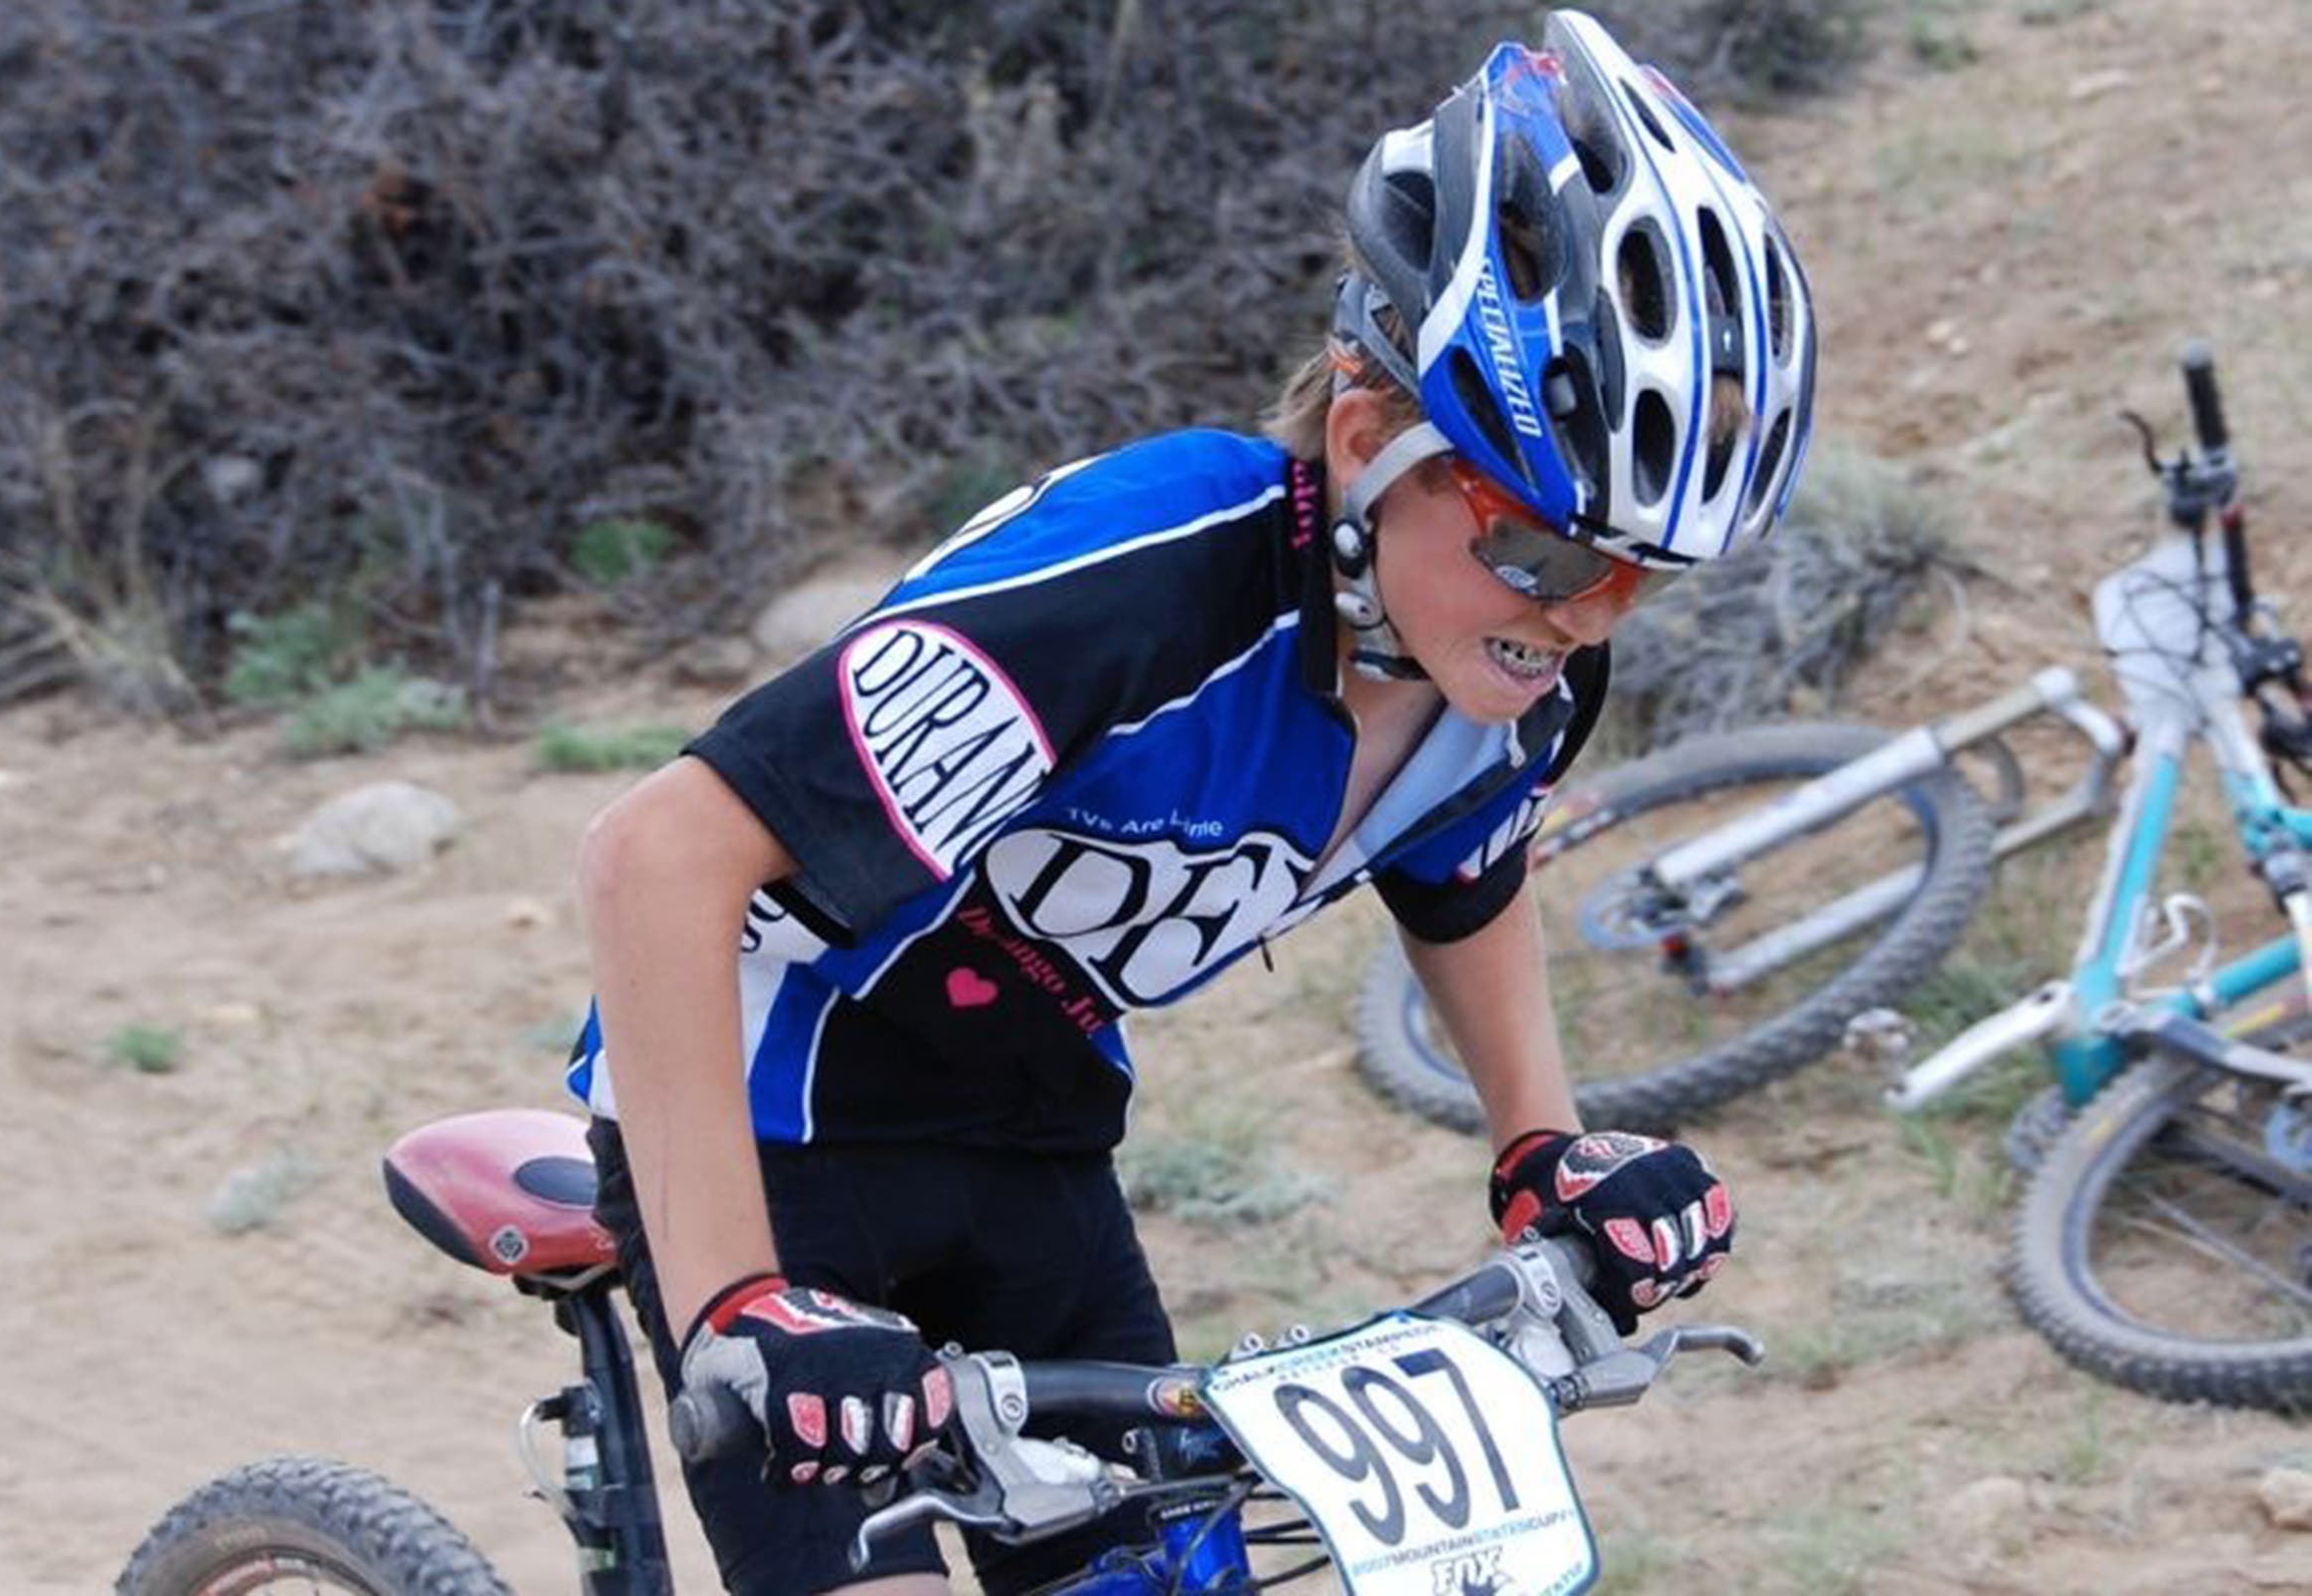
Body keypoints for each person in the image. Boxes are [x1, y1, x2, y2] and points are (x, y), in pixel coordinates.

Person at [570, 10, 1816, 1592]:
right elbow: (655, 858)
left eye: (1641, 578)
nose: (1582, 616)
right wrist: (739, 1302)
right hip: (772, 1123)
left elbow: (1464, 880)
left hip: (1032, 1137)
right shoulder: (1148, 578)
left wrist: (1541, 1150)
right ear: (1371, 443)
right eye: (1545, 549)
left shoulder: (1513, 682)